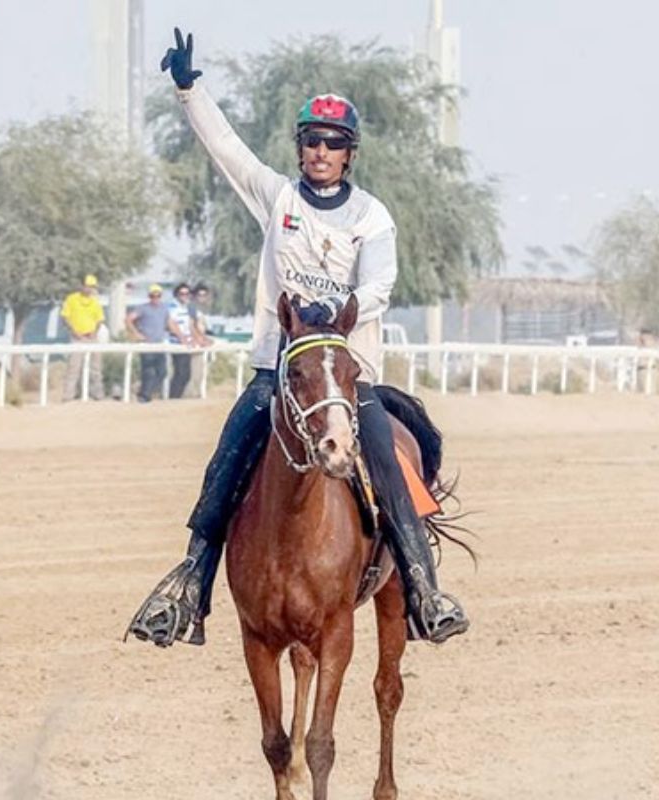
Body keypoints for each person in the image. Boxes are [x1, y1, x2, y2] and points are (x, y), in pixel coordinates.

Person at [128, 29, 468, 647]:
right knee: (224, 465)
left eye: (333, 143)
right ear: (301, 148)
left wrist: (341, 308)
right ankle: (188, 592)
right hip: (277, 370)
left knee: (390, 472)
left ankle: (425, 590)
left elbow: (381, 284)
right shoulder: (278, 196)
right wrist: (189, 90)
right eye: (312, 140)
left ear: (349, 154)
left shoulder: (371, 215)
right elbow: (228, 151)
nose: (320, 151)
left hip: (347, 373)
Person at [125, 284, 181, 402]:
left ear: (160, 296)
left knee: (162, 372)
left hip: (159, 344)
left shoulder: (164, 309)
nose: (155, 298)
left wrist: (182, 337)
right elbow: (128, 319)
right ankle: (145, 396)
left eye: (157, 296)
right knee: (149, 371)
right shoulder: (142, 308)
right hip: (147, 344)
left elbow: (171, 324)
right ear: (149, 296)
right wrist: (136, 334)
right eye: (153, 296)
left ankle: (143, 391)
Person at [60, 274, 106, 401]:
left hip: (92, 338)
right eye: (87, 286)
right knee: (73, 368)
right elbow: (65, 317)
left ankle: (98, 395)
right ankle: (68, 395)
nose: (89, 289)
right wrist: (74, 332)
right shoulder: (71, 299)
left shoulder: (95, 302)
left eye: (92, 287)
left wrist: (94, 332)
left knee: (96, 369)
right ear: (82, 286)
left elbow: (99, 319)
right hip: (77, 339)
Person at [166, 282, 206, 399]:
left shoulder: (185, 307)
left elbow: (190, 326)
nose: (185, 296)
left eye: (187, 293)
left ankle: (176, 397)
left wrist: (199, 339)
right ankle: (173, 397)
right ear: (177, 294)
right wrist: (182, 339)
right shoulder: (172, 307)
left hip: (187, 344)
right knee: (180, 373)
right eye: (182, 293)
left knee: (186, 374)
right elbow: (171, 324)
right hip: (176, 343)